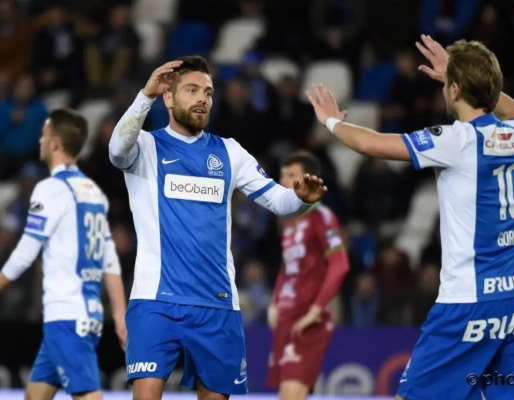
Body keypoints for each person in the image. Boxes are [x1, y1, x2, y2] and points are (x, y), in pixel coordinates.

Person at [306, 35, 514, 400]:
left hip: (468, 303)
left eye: (448, 85)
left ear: (455, 90)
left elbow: (371, 144)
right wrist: (466, 78)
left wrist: (331, 121)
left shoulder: (456, 140)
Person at [107, 56, 327, 400]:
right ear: (169, 97)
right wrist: (145, 95)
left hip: (217, 304)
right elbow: (116, 150)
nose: (202, 99)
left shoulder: (229, 152)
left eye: (208, 93)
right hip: (155, 301)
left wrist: (301, 199)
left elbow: (279, 201)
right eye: (192, 90)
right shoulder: (146, 147)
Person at [0, 108, 127, 400]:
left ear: (56, 143)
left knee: (88, 395)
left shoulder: (51, 189)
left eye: (44, 134)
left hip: (67, 317)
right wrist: (119, 316)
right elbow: (109, 261)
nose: (40, 140)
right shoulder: (92, 191)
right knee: (35, 395)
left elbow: (25, 252)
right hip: (84, 314)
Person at [267, 151, 349, 400]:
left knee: (291, 394)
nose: (283, 181)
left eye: (291, 175)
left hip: (308, 321)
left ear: (309, 179)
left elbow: (340, 265)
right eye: (282, 175)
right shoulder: (288, 222)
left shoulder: (322, 217)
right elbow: (287, 267)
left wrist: (315, 310)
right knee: (288, 393)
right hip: (287, 318)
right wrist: (274, 302)